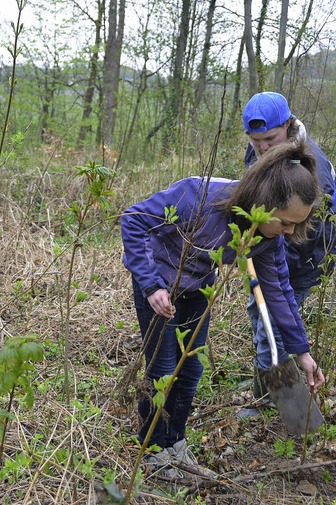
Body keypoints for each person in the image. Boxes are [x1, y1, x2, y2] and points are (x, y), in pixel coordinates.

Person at [120, 142, 325, 479]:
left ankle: (175, 443)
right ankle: (152, 450)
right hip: (158, 288)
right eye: (285, 223)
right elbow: (133, 220)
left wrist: (302, 352)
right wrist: (151, 284)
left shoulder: (267, 237)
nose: (289, 232)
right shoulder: (196, 198)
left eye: (295, 225)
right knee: (164, 372)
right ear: (265, 203)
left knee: (190, 373)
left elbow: (280, 294)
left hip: (197, 290)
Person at [242, 92, 336, 398]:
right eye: (255, 140)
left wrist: (274, 265)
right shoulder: (260, 150)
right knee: (260, 314)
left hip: (307, 255)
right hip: (269, 247)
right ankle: (266, 380)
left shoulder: (312, 168)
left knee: (275, 323)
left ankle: (273, 396)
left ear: (288, 125)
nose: (262, 147)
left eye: (269, 138)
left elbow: (314, 229)